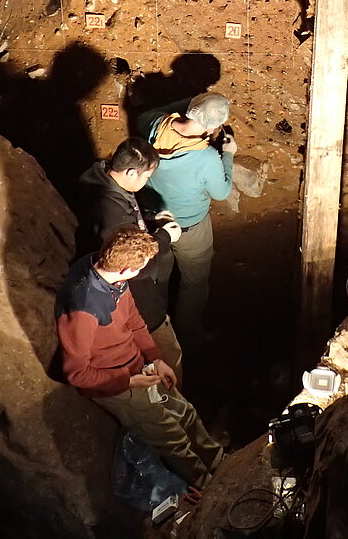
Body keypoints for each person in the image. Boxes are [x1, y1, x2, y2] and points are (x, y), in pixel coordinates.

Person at [54, 225, 223, 488]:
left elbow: (133, 320)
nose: (142, 271)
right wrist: (128, 381)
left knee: (185, 413)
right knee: (171, 437)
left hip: (138, 366)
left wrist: (156, 358)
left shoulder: (111, 276)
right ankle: (210, 484)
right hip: (118, 388)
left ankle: (219, 462)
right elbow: (77, 373)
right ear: (124, 270)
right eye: (140, 267)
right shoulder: (84, 309)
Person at [77, 137, 183, 382]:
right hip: (139, 298)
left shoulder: (102, 178)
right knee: (170, 354)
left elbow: (129, 220)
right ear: (131, 171)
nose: (147, 182)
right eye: (146, 176)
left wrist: (149, 219)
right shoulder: (110, 211)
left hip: (129, 290)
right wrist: (166, 237)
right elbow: (139, 266)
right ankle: (173, 396)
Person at [138, 92, 237, 348]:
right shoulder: (206, 159)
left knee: (158, 275)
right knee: (194, 282)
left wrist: (187, 104)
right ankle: (187, 334)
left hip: (155, 221)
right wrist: (227, 155)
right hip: (190, 227)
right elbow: (222, 192)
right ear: (214, 126)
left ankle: (158, 330)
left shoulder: (155, 125)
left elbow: (143, 117)